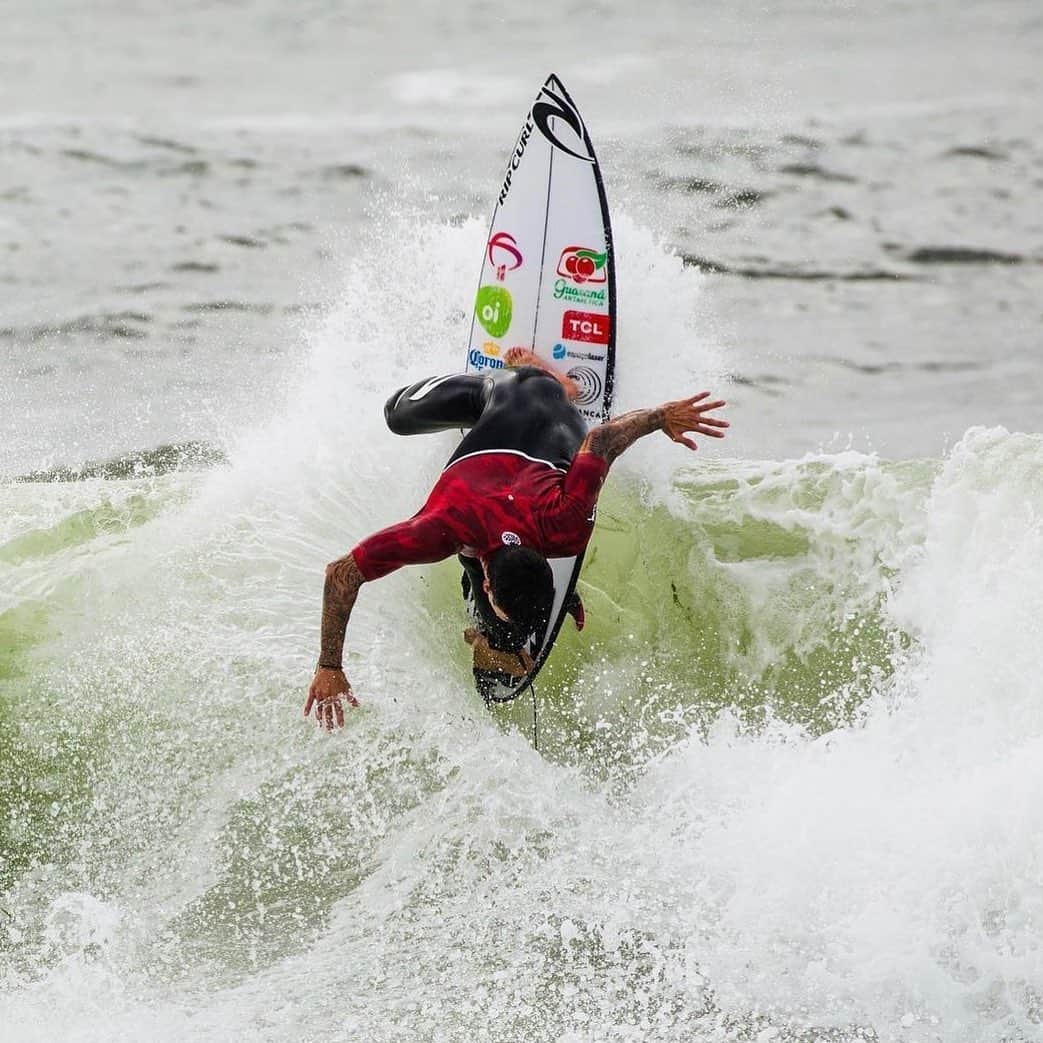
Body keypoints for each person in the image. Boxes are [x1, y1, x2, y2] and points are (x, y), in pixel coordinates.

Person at [305, 349, 729, 728]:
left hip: (542, 425)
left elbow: (602, 439)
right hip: (514, 391)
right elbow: (340, 572)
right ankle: (544, 374)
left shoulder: (565, 525)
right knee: (395, 414)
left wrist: (661, 418)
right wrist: (328, 665)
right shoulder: (444, 528)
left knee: (489, 591)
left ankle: (494, 631)